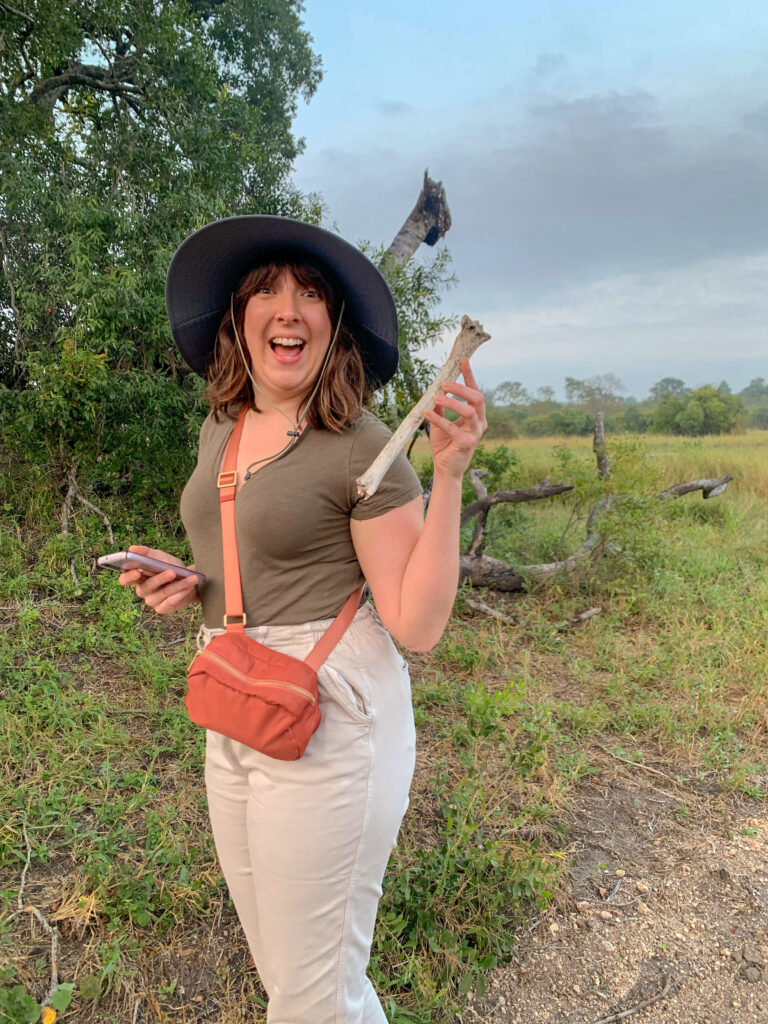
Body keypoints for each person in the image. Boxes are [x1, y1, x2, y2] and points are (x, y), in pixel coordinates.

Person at [119, 215, 487, 1024]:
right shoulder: (224, 422)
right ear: (238, 320)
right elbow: (245, 553)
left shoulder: (360, 446)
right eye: (268, 291)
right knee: (292, 977)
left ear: (333, 327)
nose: (290, 309)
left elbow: (417, 623)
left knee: (313, 995)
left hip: (331, 714)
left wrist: (451, 476)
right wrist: (189, 583)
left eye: (311, 294)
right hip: (236, 690)